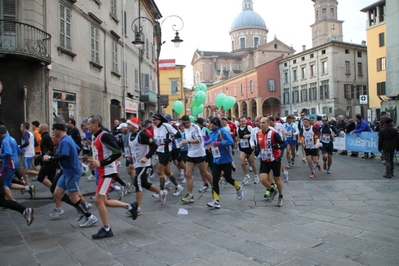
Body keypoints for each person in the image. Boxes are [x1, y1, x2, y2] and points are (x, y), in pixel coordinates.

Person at [85, 115, 138, 239]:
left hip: (107, 172)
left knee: (98, 200)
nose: (87, 127)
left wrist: (101, 163)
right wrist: (94, 162)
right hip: (102, 171)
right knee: (103, 201)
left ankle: (106, 229)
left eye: (89, 124)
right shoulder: (96, 136)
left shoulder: (104, 135)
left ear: (96, 124)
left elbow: (117, 152)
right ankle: (130, 206)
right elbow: (102, 154)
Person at [42, 123, 98, 228]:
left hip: (72, 172)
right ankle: (80, 209)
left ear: (58, 130)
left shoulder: (65, 141)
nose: (53, 132)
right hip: (66, 171)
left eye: (53, 130)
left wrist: (49, 158)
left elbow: (65, 156)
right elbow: (77, 148)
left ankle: (90, 217)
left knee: (73, 196)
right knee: (57, 193)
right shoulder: (67, 139)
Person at [125, 117, 167, 214]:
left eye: (129, 124)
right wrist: (130, 155)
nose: (127, 126)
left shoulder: (142, 135)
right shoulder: (130, 135)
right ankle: (161, 193)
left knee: (137, 182)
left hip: (144, 164)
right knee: (144, 183)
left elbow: (154, 146)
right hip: (136, 163)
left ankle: (137, 209)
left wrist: (146, 157)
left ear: (134, 125)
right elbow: (134, 147)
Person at [204, 117, 243, 208]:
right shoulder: (211, 132)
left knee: (228, 178)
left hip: (225, 159)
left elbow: (230, 141)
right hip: (216, 159)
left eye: (210, 123)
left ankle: (238, 187)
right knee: (215, 179)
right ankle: (216, 201)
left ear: (215, 124)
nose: (209, 125)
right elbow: (211, 141)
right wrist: (206, 143)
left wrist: (219, 143)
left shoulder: (222, 131)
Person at [0, 126, 34, 225]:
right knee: (7, 184)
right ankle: (26, 189)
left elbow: (8, 153)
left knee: (5, 185)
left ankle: (15, 202)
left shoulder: (5, 141)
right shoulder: (12, 138)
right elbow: (19, 151)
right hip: (14, 163)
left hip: (8, 164)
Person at [179, 115, 213, 203]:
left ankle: (215, 187)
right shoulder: (186, 129)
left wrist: (188, 142)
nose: (182, 126)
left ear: (188, 122)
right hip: (190, 153)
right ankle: (190, 195)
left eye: (183, 124)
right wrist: (183, 143)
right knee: (188, 174)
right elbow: (187, 140)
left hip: (199, 153)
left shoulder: (195, 127)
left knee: (204, 172)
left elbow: (200, 140)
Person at [255, 117, 287, 207]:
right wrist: (256, 150)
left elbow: (284, 143)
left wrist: (278, 147)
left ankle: (281, 196)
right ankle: (272, 190)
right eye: (260, 123)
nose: (261, 124)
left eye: (263, 122)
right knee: (262, 179)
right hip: (265, 160)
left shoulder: (274, 133)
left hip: (275, 159)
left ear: (268, 123)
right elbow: (258, 144)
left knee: (277, 179)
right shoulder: (258, 134)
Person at [152, 113, 182, 198]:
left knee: (159, 171)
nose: (154, 121)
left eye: (155, 120)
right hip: (159, 151)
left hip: (166, 150)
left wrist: (170, 139)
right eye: (153, 120)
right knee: (166, 171)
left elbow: (178, 134)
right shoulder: (154, 128)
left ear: (159, 120)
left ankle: (161, 192)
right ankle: (178, 186)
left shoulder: (166, 125)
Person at [236, 116, 259, 185]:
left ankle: (256, 176)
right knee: (242, 162)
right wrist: (237, 141)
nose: (243, 122)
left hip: (250, 148)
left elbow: (254, 135)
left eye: (244, 121)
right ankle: (247, 176)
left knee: (252, 163)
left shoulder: (249, 127)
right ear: (239, 122)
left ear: (246, 121)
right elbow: (238, 137)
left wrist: (249, 135)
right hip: (242, 148)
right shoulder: (238, 129)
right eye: (241, 121)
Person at [34, 124, 55, 188]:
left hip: (49, 161)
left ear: (42, 129)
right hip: (50, 161)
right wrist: (39, 156)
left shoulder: (46, 137)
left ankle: (54, 190)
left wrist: (46, 155)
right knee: (51, 178)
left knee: (40, 177)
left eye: (39, 128)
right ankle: (56, 193)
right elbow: (45, 149)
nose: (38, 129)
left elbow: (51, 147)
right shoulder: (44, 137)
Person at [19, 122, 37, 187]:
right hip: (30, 152)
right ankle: (27, 184)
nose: (20, 128)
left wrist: (20, 146)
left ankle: (40, 174)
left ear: (24, 127)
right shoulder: (31, 133)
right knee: (22, 169)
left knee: (26, 171)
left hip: (27, 154)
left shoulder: (25, 133)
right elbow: (36, 143)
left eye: (21, 127)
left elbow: (27, 142)